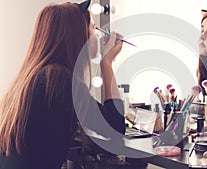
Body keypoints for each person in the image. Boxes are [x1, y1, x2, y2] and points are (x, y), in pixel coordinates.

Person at [0, 0, 125, 168]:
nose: (97, 35)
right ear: (78, 34)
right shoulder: (59, 80)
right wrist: (107, 63)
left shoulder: (32, 77)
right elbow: (115, 129)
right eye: (93, 28)